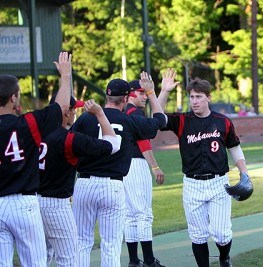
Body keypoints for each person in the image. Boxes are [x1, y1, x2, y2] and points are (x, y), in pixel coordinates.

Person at [71, 72, 166, 267]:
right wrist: (151, 92)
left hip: (84, 184)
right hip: (112, 186)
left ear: (106, 97)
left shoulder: (85, 119)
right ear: (125, 98)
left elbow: (68, 145)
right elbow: (161, 120)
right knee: (111, 245)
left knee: (82, 242)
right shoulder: (130, 121)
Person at [158, 69, 249, 267]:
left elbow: (234, 147)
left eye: (199, 97)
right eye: (191, 97)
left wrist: (244, 173)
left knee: (222, 233)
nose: (194, 101)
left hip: (218, 183)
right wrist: (164, 91)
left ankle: (224, 258)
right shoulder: (182, 121)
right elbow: (158, 118)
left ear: (209, 97)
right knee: (198, 235)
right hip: (192, 184)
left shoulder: (222, 121)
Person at [0, 52, 72, 266]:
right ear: (13, 97)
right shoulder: (26, 124)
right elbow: (61, 109)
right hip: (23, 204)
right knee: (35, 262)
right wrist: (66, 76)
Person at [38, 96, 121, 266]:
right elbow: (113, 145)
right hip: (56, 204)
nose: (75, 112)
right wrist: (100, 114)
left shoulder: (35, 132)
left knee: (39, 257)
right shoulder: (69, 138)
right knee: (69, 258)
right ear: (66, 111)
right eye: (74, 109)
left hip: (31, 202)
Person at [123, 80, 165, 267]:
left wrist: (162, 92)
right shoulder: (134, 113)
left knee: (130, 215)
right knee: (143, 214)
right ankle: (149, 261)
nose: (144, 96)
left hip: (122, 166)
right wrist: (155, 167)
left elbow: (156, 119)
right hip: (136, 165)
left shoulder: (124, 113)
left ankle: (134, 261)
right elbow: (144, 142)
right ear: (130, 94)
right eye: (140, 93)